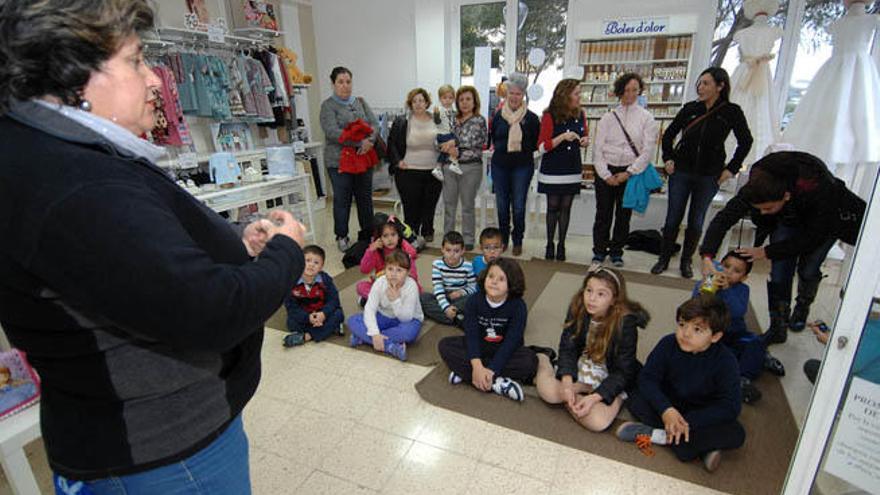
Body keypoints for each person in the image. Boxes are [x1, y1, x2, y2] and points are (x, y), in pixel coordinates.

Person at [0, 1, 307, 492]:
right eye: (136, 61)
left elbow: (140, 258)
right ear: (73, 71)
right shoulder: (76, 183)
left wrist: (233, 243)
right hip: (163, 453)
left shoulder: (52, 153)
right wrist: (286, 252)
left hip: (145, 438)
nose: (157, 80)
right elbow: (210, 311)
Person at [699, 151, 866, 345]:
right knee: (780, 271)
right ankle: (778, 326)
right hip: (787, 218)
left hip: (823, 222)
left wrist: (766, 251)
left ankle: (803, 304)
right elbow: (723, 219)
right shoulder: (757, 187)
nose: (762, 213)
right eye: (758, 209)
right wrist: (707, 256)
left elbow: (813, 237)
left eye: (768, 208)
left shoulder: (820, 187)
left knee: (808, 268)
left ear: (786, 196)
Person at [617, 295, 745, 473]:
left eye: (697, 329)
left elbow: (730, 406)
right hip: (669, 402)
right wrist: (666, 410)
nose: (685, 333)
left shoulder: (726, 361)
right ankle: (697, 447)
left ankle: (658, 435)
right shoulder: (668, 343)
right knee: (635, 395)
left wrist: (687, 422)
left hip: (700, 413)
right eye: (682, 324)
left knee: (737, 433)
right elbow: (647, 379)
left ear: (715, 336)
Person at [651, 67, 753, 278]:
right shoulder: (690, 108)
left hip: (709, 175)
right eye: (699, 83)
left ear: (720, 86)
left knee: (696, 220)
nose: (701, 87)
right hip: (681, 172)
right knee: (672, 218)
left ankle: (686, 261)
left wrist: (731, 169)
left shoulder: (731, 111)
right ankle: (664, 257)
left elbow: (746, 142)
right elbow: (668, 136)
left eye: (706, 83)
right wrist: (668, 158)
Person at [535, 266, 649, 432]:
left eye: (601, 294)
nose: (592, 298)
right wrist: (567, 383)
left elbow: (624, 371)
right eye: (589, 290)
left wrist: (595, 398)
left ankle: (597, 393)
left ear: (614, 299)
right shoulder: (578, 306)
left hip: (610, 372)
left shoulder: (626, 323)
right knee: (549, 393)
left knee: (598, 422)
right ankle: (544, 359)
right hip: (585, 362)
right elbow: (568, 347)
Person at [692, 251, 785, 403]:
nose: (728, 272)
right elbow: (695, 307)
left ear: (744, 277)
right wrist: (706, 287)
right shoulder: (707, 282)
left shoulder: (742, 290)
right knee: (703, 357)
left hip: (735, 334)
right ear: (718, 266)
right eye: (726, 266)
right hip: (712, 336)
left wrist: (727, 290)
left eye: (736, 271)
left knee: (756, 343)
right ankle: (748, 363)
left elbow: (738, 311)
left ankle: (744, 377)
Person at [438, 258, 537, 402]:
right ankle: (496, 382)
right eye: (491, 276)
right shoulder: (473, 301)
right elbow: (471, 335)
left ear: (511, 284)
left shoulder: (518, 306)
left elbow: (512, 341)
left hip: (504, 349)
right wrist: (477, 365)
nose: (494, 282)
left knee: (530, 361)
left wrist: (491, 369)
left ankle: (469, 374)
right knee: (445, 345)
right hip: (480, 345)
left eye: (501, 279)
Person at [591, 73, 658, 267]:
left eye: (634, 90)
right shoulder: (608, 118)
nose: (630, 94)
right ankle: (599, 251)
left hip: (631, 172)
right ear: (620, 91)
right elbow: (598, 149)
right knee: (603, 214)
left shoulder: (647, 118)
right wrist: (605, 175)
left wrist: (628, 172)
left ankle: (617, 252)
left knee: (623, 215)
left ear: (640, 91)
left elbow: (647, 151)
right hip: (606, 171)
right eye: (626, 90)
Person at [320, 66, 380, 252]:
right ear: (333, 84)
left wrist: (370, 140)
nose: (345, 86)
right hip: (339, 161)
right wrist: (358, 142)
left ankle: (367, 233)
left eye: (348, 82)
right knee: (342, 199)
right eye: (341, 82)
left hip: (363, 158)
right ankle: (341, 235)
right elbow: (331, 132)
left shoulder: (360, 102)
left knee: (365, 198)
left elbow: (374, 124)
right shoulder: (328, 106)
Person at [536, 78, 590, 262]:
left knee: (566, 207)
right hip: (553, 168)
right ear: (565, 95)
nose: (579, 97)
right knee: (553, 207)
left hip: (572, 167)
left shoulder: (581, 114)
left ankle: (562, 245)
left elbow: (585, 135)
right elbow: (542, 146)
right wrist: (563, 137)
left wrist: (584, 140)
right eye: (576, 93)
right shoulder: (549, 115)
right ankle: (550, 243)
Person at [489, 73, 540, 256]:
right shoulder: (498, 117)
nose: (514, 97)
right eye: (512, 93)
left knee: (518, 205)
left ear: (523, 95)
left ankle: (517, 240)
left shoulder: (532, 118)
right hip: (500, 165)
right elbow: (494, 138)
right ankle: (503, 239)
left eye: (518, 93)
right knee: (502, 205)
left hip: (522, 166)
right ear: (507, 93)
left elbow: (534, 143)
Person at [387, 88, 442, 243]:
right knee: (411, 207)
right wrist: (398, 161)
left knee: (430, 204)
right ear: (410, 104)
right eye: (414, 101)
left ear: (427, 103)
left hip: (433, 171)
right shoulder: (402, 121)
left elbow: (445, 138)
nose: (418, 104)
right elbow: (391, 144)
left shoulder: (436, 119)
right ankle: (411, 233)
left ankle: (428, 230)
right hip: (408, 171)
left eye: (421, 100)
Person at [347, 250, 423, 361]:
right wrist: (374, 333)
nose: (393, 274)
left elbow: (406, 317)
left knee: (409, 334)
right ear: (385, 270)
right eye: (390, 269)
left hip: (408, 320)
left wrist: (395, 300)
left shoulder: (411, 286)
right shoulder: (380, 282)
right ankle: (390, 346)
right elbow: (369, 309)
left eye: (399, 270)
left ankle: (363, 338)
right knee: (353, 320)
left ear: (407, 273)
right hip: (383, 315)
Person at [443, 86, 488, 250]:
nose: (464, 103)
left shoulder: (479, 120)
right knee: (449, 205)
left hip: (471, 168)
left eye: (468, 99)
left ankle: (468, 239)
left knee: (467, 205)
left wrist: (454, 146)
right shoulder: (451, 118)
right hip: (449, 166)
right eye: (461, 99)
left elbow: (474, 141)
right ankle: (448, 238)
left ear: (474, 101)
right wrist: (446, 145)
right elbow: (438, 137)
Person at [282, 245, 345, 347]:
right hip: (305, 316)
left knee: (338, 314)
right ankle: (328, 329)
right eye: (308, 260)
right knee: (291, 322)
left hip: (322, 313)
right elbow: (291, 307)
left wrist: (324, 314)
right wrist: (308, 318)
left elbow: (334, 300)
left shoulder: (325, 280)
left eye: (316, 262)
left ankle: (307, 336)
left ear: (321, 267)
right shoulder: (291, 282)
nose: (311, 265)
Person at [357, 216, 420, 304]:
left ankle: (379, 302)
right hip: (383, 286)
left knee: (415, 289)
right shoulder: (376, 251)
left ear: (399, 236)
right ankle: (384, 301)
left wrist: (403, 243)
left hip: (402, 285)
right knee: (361, 286)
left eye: (393, 234)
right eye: (385, 236)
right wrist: (370, 250)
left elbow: (413, 275)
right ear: (379, 238)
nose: (390, 239)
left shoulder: (404, 250)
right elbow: (364, 269)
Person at [420, 231, 477, 327]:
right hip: (444, 296)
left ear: (463, 251)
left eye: (456, 251)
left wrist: (461, 292)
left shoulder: (468, 266)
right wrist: (446, 307)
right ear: (442, 249)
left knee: (474, 298)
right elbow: (438, 288)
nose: (452, 254)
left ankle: (450, 315)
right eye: (448, 250)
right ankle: (457, 318)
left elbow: (473, 287)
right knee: (422, 298)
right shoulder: (437, 264)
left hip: (460, 299)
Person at [431, 84, 464, 183]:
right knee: (449, 148)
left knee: (449, 148)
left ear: (454, 99)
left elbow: (454, 123)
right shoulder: (439, 110)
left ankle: (445, 165)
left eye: (450, 98)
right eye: (444, 98)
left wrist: (457, 121)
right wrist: (436, 115)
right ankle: (448, 164)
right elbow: (437, 122)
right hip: (442, 134)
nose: (447, 100)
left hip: (449, 133)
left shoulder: (453, 111)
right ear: (440, 99)